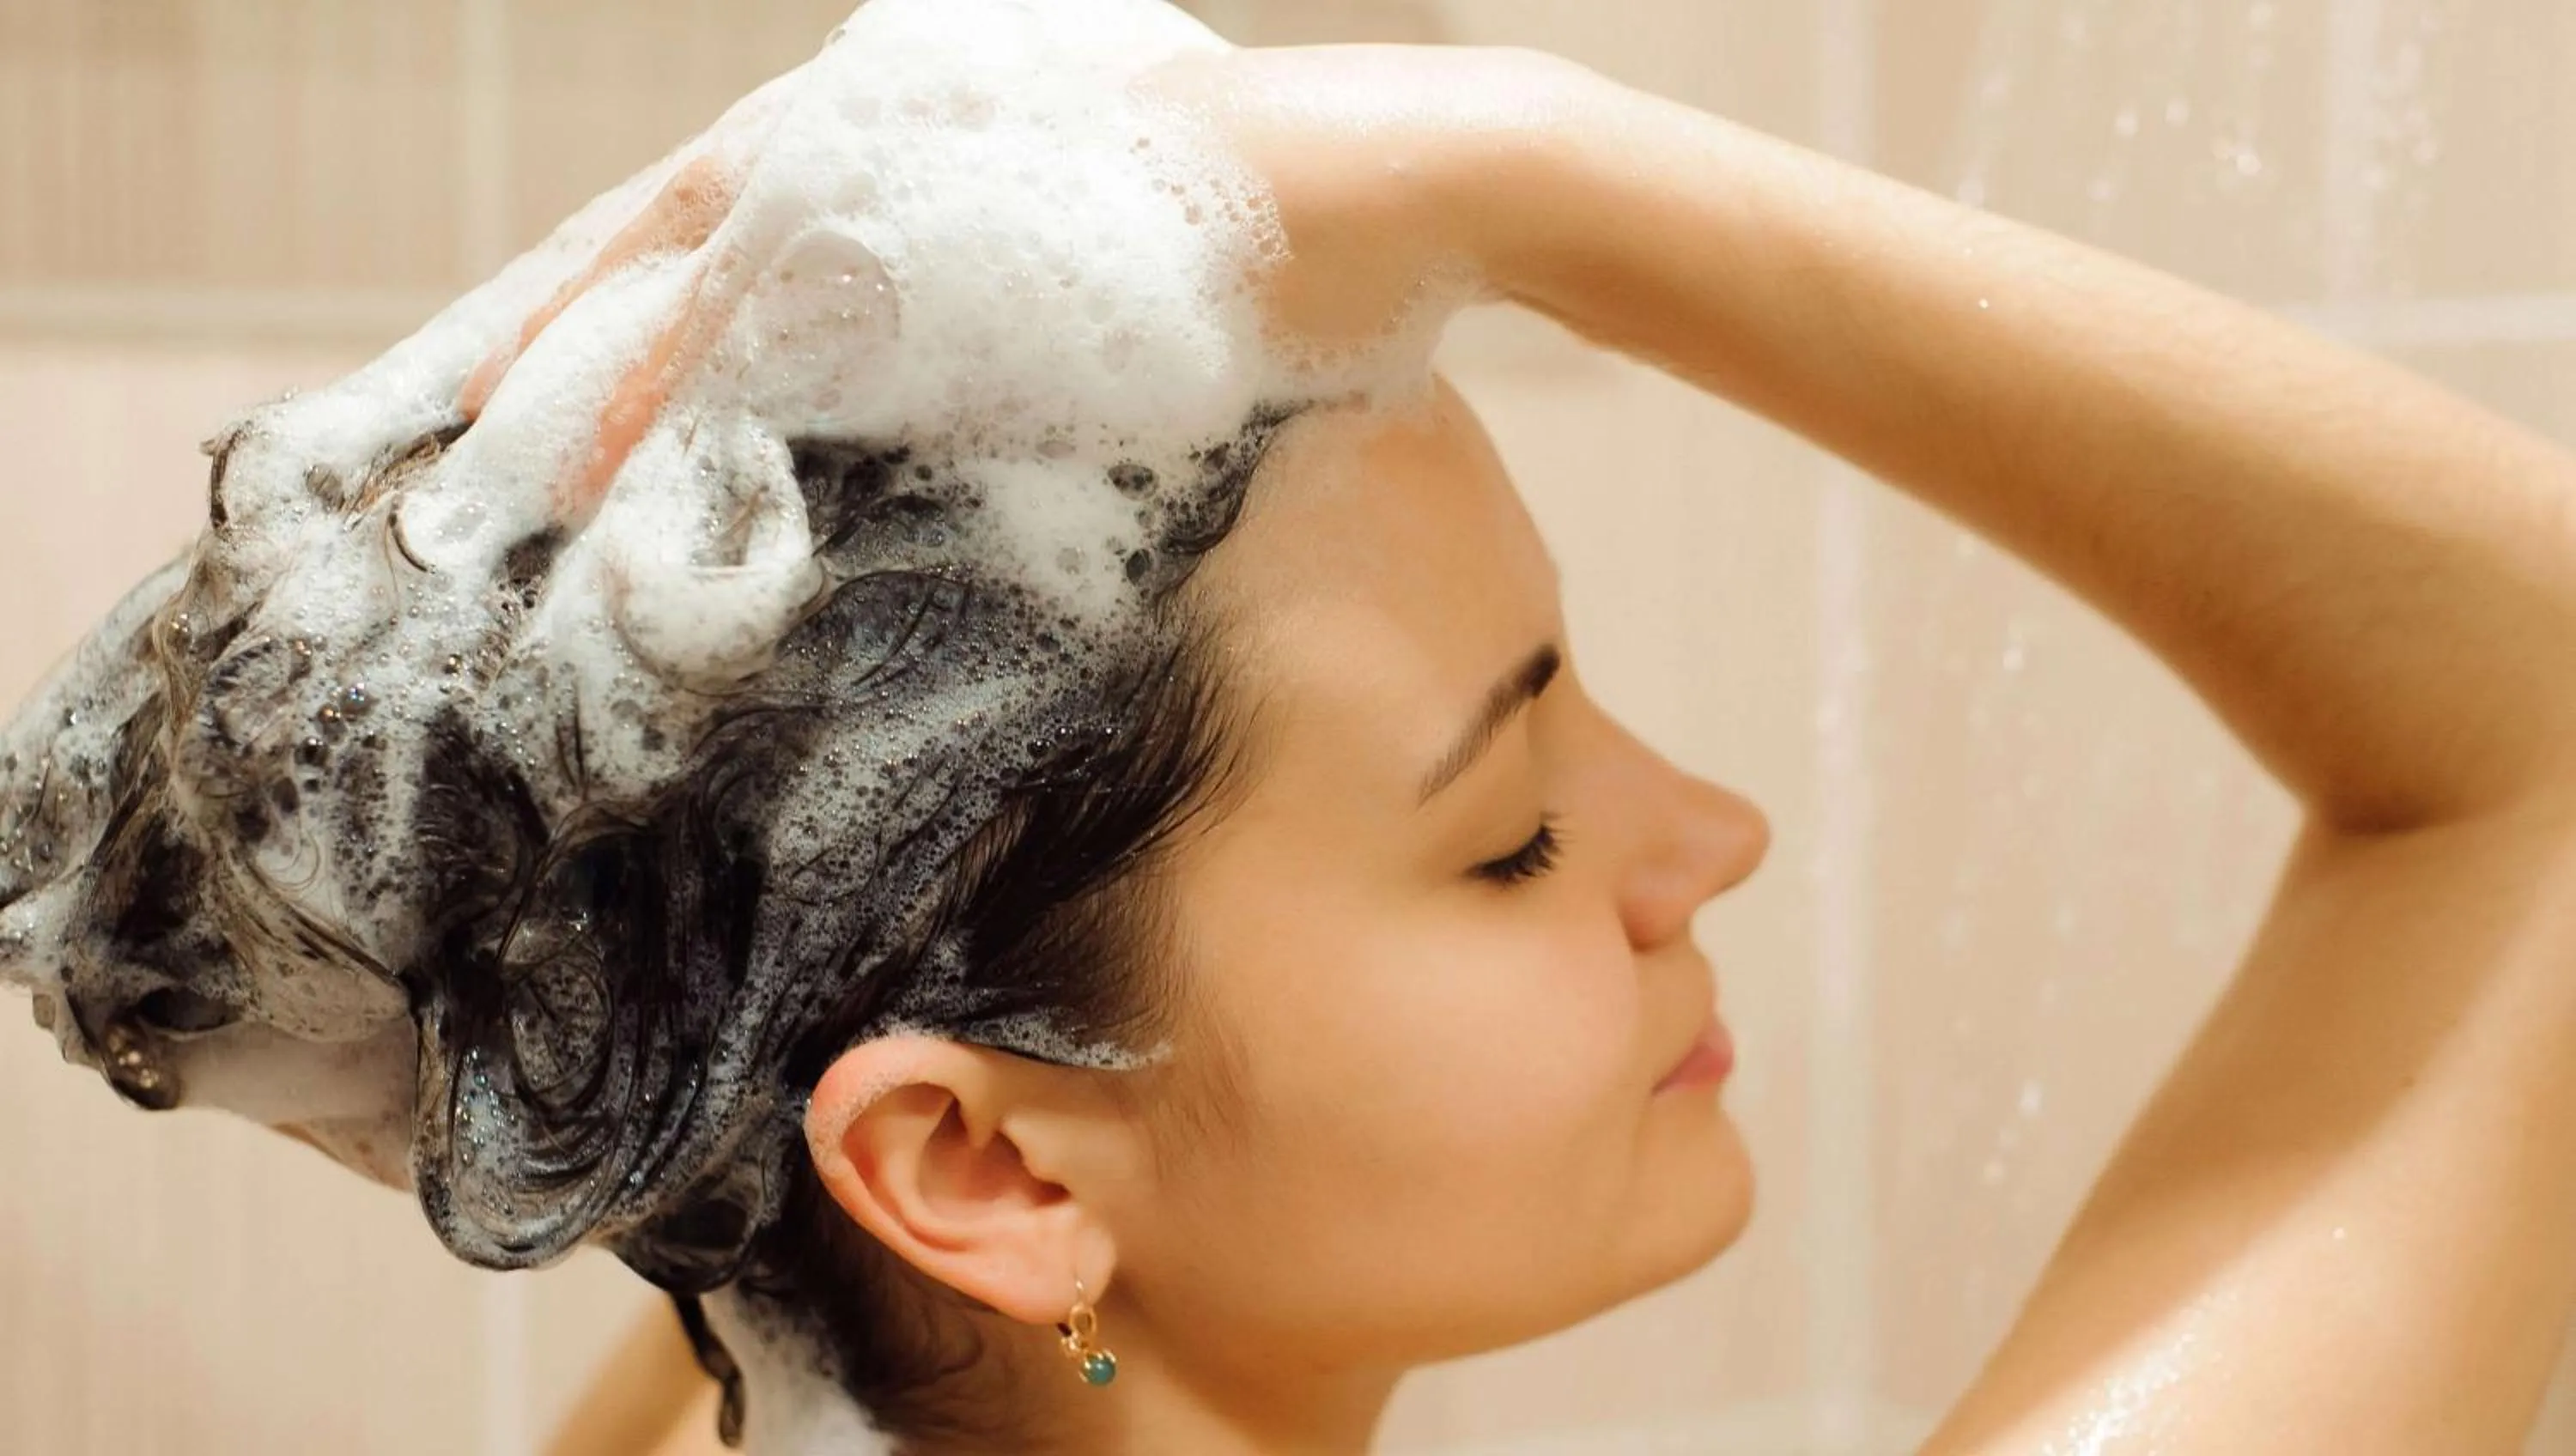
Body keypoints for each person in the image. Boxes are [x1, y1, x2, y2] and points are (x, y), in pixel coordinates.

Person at [9, 11, 2576, 1456]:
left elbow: (733, 1126)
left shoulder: (755, 1362)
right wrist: (1516, 157)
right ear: (974, 1162)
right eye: (1509, 836)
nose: (1714, 834)